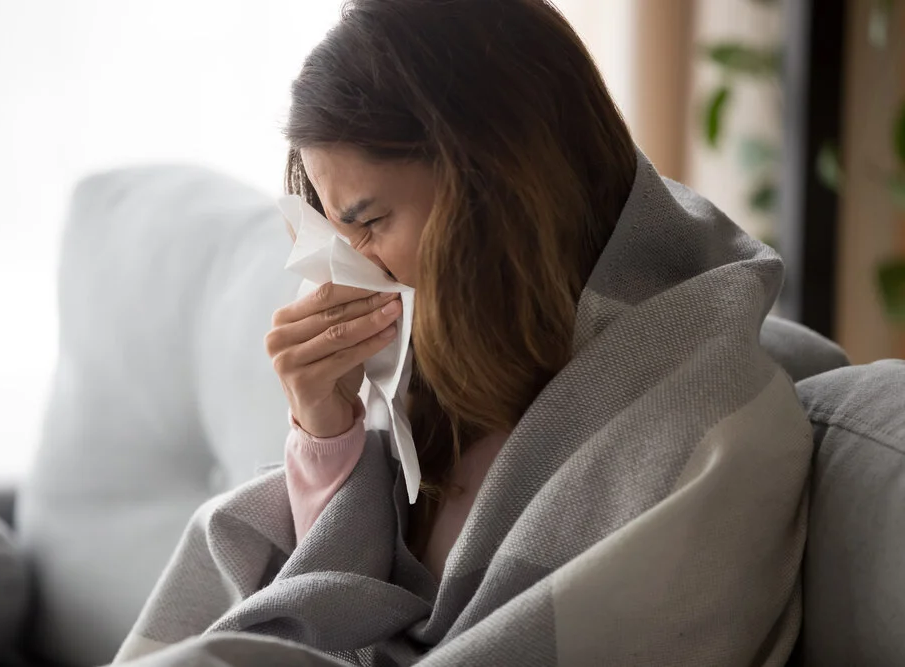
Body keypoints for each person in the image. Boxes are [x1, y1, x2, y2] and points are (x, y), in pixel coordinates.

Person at [114, 1, 813, 665]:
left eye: (369, 221)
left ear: (500, 187)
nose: (349, 266)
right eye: (333, 228)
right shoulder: (429, 392)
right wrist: (327, 435)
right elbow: (342, 618)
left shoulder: (707, 426)